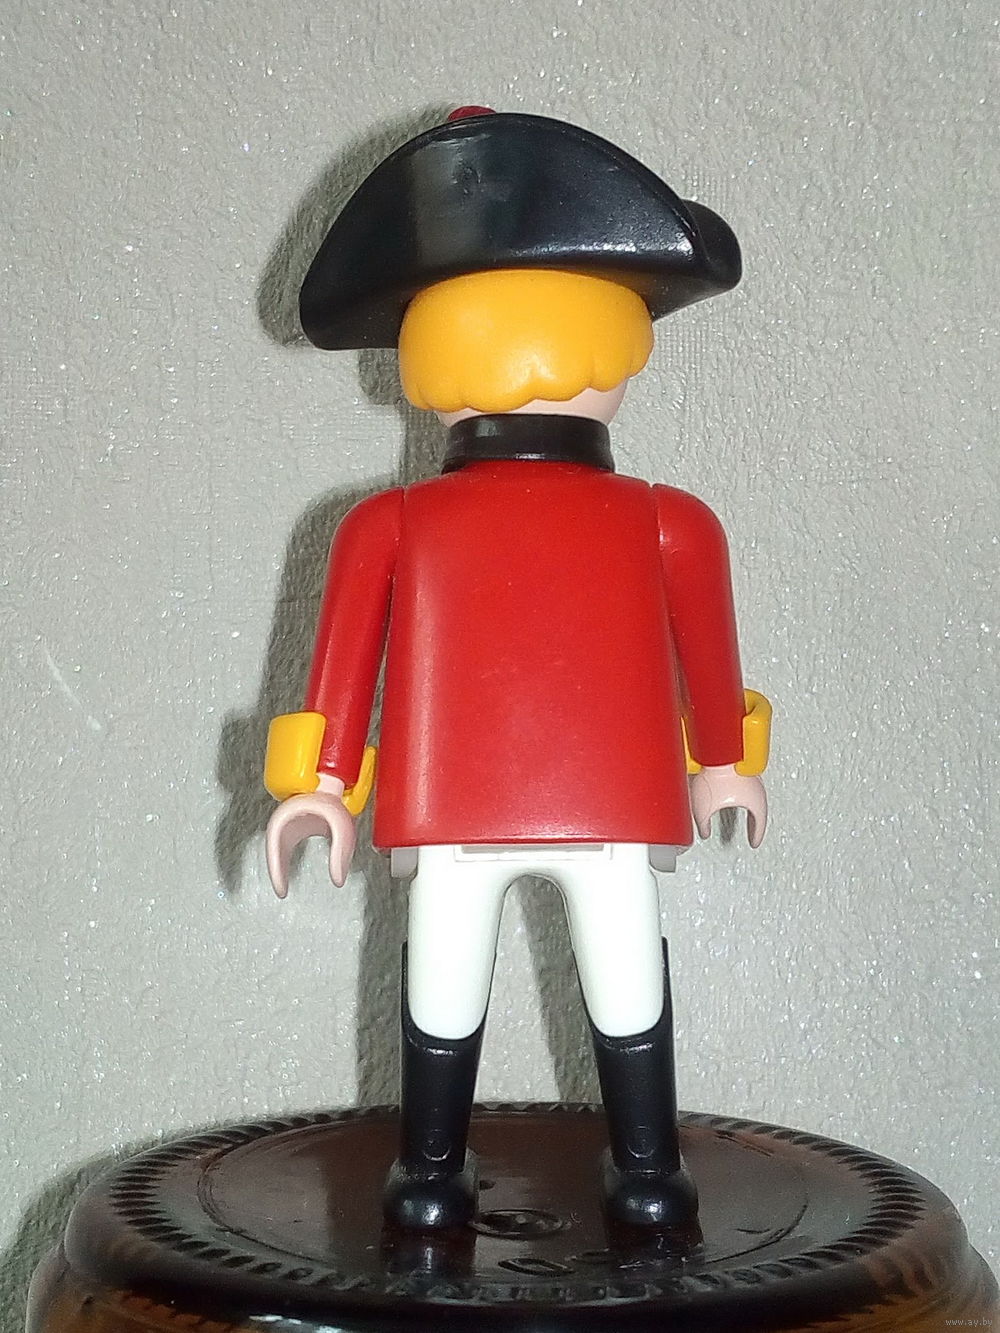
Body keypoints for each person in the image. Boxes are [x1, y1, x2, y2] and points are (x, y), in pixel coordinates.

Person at [263, 109, 770, 1235]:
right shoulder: (394, 526)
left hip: (572, 802)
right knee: (469, 976)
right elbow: (344, 664)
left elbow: (707, 653)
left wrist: (724, 762)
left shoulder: (667, 524)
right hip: (483, 803)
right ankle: (448, 1172)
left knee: (607, 975)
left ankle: (621, 1171)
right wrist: (318, 784)